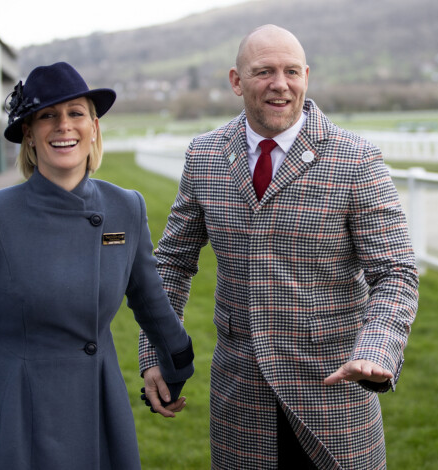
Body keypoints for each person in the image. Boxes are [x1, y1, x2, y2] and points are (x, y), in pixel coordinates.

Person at [140, 25, 419, 469]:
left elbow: (396, 273)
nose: (280, 84)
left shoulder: (356, 160)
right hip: (240, 400)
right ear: (236, 81)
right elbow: (172, 263)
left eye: (291, 71)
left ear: (306, 76)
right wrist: (156, 352)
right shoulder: (206, 156)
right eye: (263, 71)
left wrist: (377, 347)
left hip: (334, 397)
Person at [0, 62, 194, 470]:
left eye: (76, 113)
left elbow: (150, 300)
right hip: (13, 413)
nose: (64, 126)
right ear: (28, 132)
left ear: (94, 126)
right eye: (48, 116)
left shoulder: (125, 207)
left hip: (98, 402)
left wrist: (176, 366)